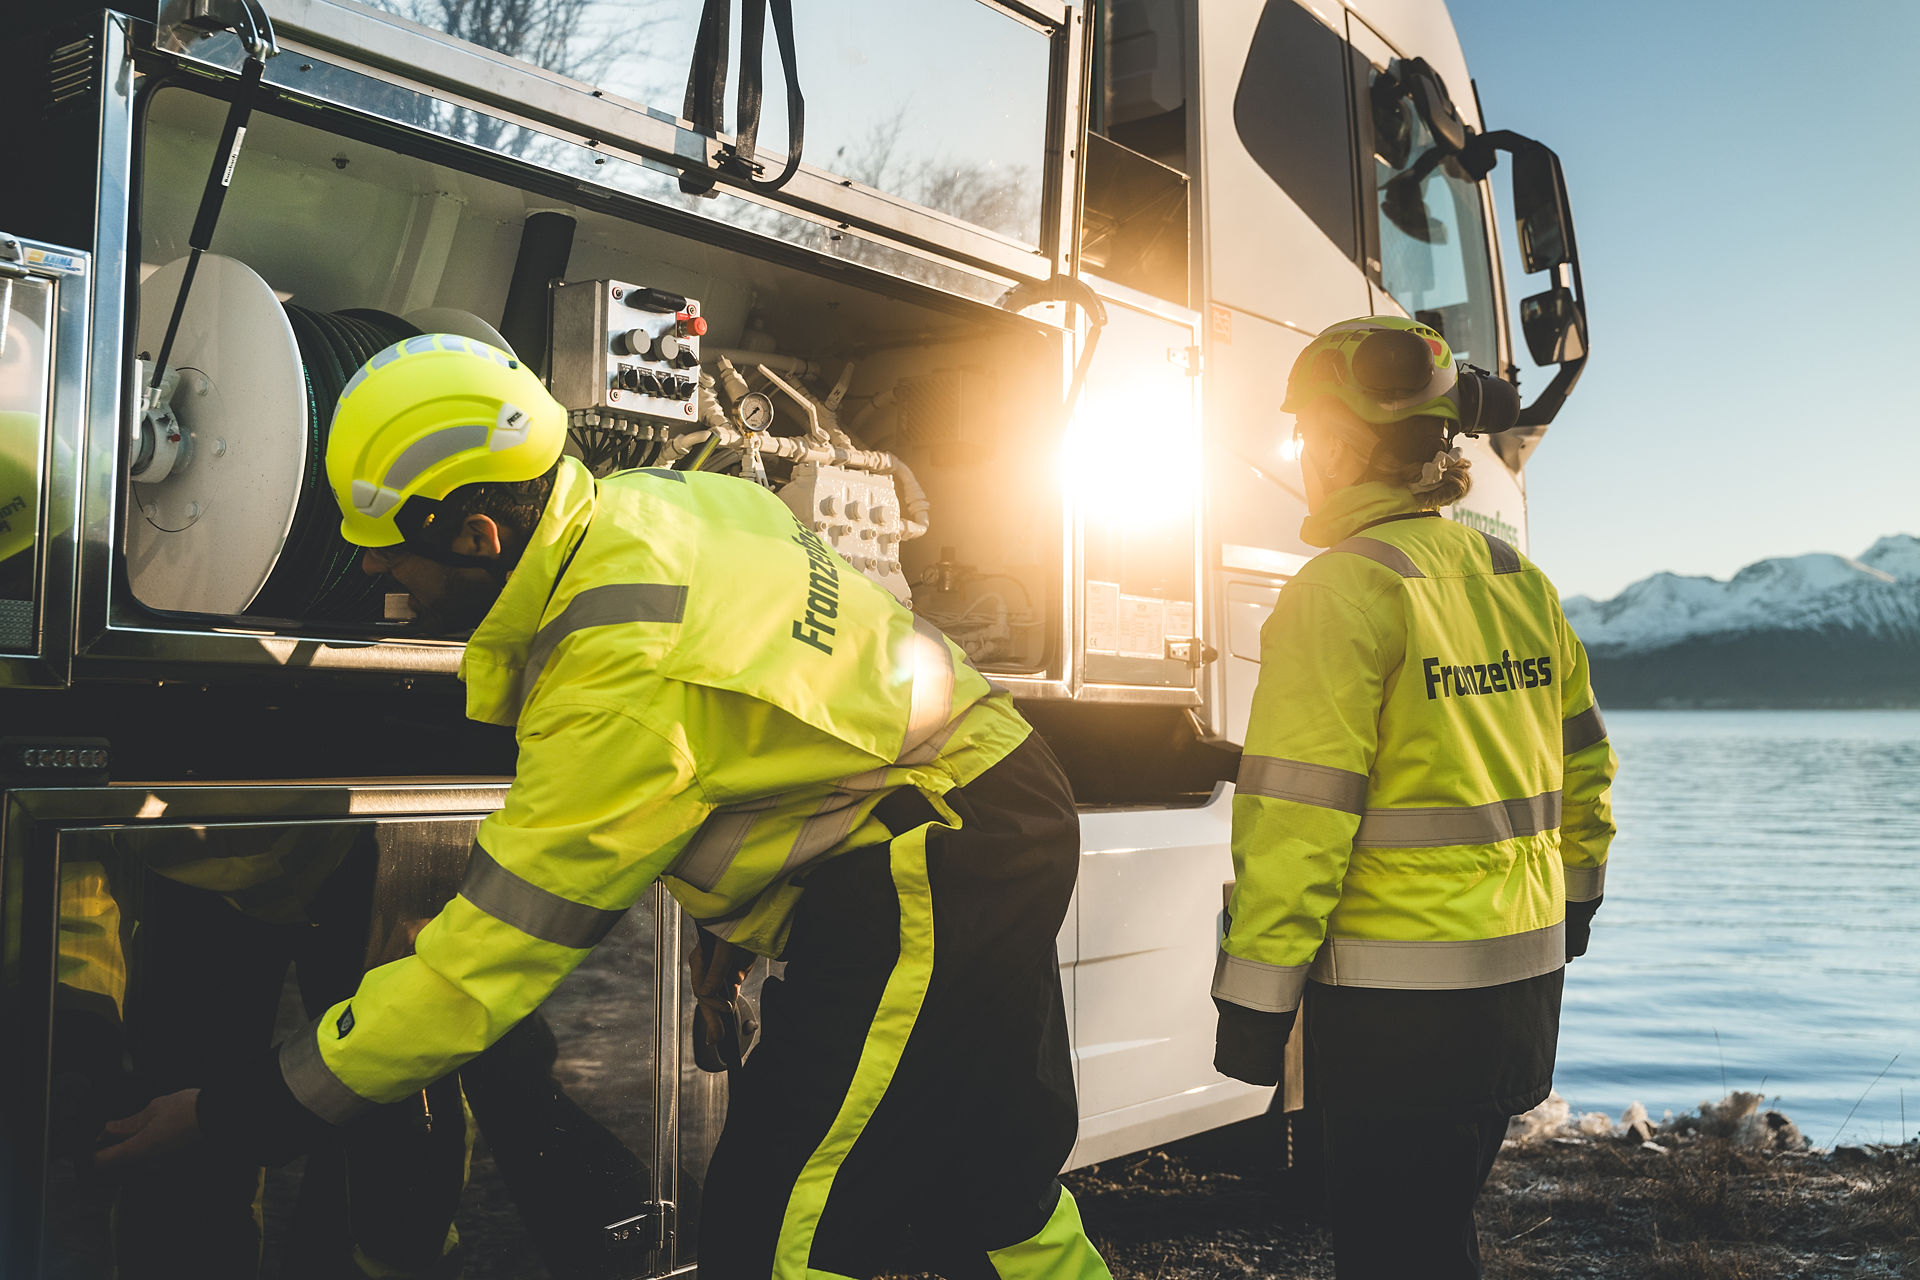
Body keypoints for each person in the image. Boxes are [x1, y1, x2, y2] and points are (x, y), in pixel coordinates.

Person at [97, 334, 1112, 1280]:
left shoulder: (612, 678)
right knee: (997, 1180)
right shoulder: (658, 503)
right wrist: (737, 925)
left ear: (478, 532)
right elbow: (788, 710)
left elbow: (471, 977)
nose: (370, 568)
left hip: (927, 857)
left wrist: (236, 1113)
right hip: (991, 801)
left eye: (388, 546)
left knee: (779, 1224)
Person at [1209, 315, 1617, 1278]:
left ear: (1348, 444)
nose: (1302, 456)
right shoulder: (1520, 581)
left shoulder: (1342, 589)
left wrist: (1254, 1001)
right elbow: (1587, 766)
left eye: (1307, 434)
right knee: (1435, 1235)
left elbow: (1301, 818)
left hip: (1399, 1013)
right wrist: (1578, 902)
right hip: (1518, 994)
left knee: (1394, 1250)